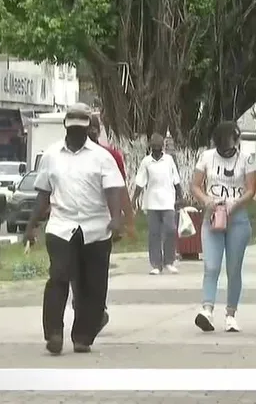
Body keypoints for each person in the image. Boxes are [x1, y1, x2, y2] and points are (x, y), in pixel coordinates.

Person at [24, 103, 127, 355]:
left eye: (82, 130)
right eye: (73, 130)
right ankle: (54, 334)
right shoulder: (51, 155)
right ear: (65, 127)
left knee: (93, 286)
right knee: (58, 277)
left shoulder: (102, 157)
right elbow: (43, 194)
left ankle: (83, 336)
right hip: (61, 226)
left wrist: (116, 218)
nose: (77, 134)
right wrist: (31, 225)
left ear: (89, 129)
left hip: (95, 227)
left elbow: (113, 189)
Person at [190, 121, 256, 333]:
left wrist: (235, 203)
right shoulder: (207, 157)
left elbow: (251, 189)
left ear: (237, 141)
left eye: (229, 147)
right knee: (211, 265)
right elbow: (195, 185)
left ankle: (231, 314)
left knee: (234, 268)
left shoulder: (246, 158)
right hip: (213, 216)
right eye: (221, 147)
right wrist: (207, 201)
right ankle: (206, 309)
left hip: (237, 217)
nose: (225, 151)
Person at [84, 113, 136, 332]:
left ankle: (97, 309)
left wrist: (126, 219)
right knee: (76, 270)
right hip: (72, 224)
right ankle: (85, 308)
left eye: (94, 127)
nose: (91, 131)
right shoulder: (65, 155)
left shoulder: (111, 155)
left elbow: (121, 187)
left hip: (104, 223)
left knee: (97, 268)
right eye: (88, 127)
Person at [132, 133, 183, 275]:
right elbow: (140, 182)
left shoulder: (169, 160)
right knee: (154, 234)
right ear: (151, 147)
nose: (156, 149)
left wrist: (180, 197)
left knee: (170, 230)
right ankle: (156, 264)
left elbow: (176, 179)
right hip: (152, 202)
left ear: (163, 147)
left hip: (168, 201)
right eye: (154, 147)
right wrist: (134, 199)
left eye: (159, 146)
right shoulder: (146, 162)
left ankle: (169, 261)